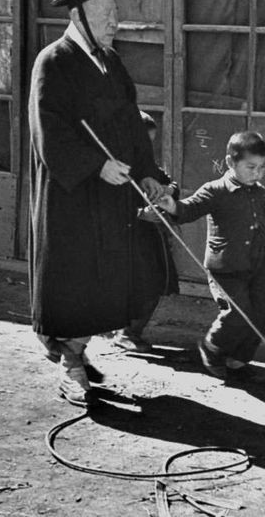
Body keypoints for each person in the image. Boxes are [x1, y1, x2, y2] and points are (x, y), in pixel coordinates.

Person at [28, 0, 167, 408]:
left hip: (113, 193)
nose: (114, 25)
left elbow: (131, 124)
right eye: (105, 18)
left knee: (106, 275)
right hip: (72, 194)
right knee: (73, 277)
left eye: (115, 15)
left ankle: (74, 348)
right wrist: (94, 166)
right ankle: (70, 361)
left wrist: (148, 173)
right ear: (78, 17)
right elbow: (50, 132)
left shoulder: (111, 63)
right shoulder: (53, 62)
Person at [157, 130, 265, 383]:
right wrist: (172, 207)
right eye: (250, 167)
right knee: (236, 315)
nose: (257, 173)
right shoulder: (215, 190)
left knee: (260, 318)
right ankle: (211, 348)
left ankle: (237, 361)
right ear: (230, 162)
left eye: (262, 168)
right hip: (225, 268)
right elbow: (190, 208)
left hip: (255, 265)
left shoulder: (260, 193)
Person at [113, 111, 180, 353]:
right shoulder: (115, 166)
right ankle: (124, 332)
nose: (146, 149)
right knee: (135, 285)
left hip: (151, 239)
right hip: (125, 238)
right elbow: (106, 206)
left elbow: (171, 183)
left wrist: (166, 190)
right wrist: (140, 214)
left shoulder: (147, 165)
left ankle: (132, 331)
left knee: (156, 284)